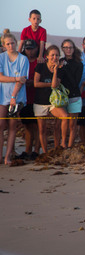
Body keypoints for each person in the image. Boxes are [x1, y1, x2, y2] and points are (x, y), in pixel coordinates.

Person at [33, 45, 68, 154]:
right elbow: (36, 83)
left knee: (65, 117)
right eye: (52, 55)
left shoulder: (61, 70)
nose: (54, 57)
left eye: (57, 55)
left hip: (53, 102)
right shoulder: (40, 66)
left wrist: (56, 70)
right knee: (42, 129)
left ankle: (61, 144)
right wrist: (48, 84)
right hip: (40, 101)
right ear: (47, 56)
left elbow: (54, 85)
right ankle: (45, 152)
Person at [0, 32, 29, 164]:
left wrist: (13, 97)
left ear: (16, 43)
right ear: (3, 45)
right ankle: (0, 156)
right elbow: (1, 77)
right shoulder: (1, 57)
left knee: (12, 127)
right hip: (2, 96)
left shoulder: (23, 59)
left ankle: (7, 157)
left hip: (16, 97)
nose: (11, 45)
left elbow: (22, 80)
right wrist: (16, 78)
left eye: (12, 43)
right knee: (1, 125)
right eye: (8, 44)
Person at [19, 39, 40, 160]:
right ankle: (28, 150)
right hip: (24, 97)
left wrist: (33, 82)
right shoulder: (22, 60)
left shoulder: (40, 61)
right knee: (27, 125)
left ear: (36, 48)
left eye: (32, 48)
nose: (30, 51)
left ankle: (36, 150)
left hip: (37, 97)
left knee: (37, 126)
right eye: (27, 49)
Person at [60, 38, 83, 148]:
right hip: (61, 97)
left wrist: (65, 67)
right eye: (66, 47)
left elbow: (75, 82)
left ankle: (69, 146)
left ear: (74, 49)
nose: (68, 49)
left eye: (70, 47)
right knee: (61, 123)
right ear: (62, 49)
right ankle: (62, 144)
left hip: (74, 96)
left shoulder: (79, 64)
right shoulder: (60, 61)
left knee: (72, 124)